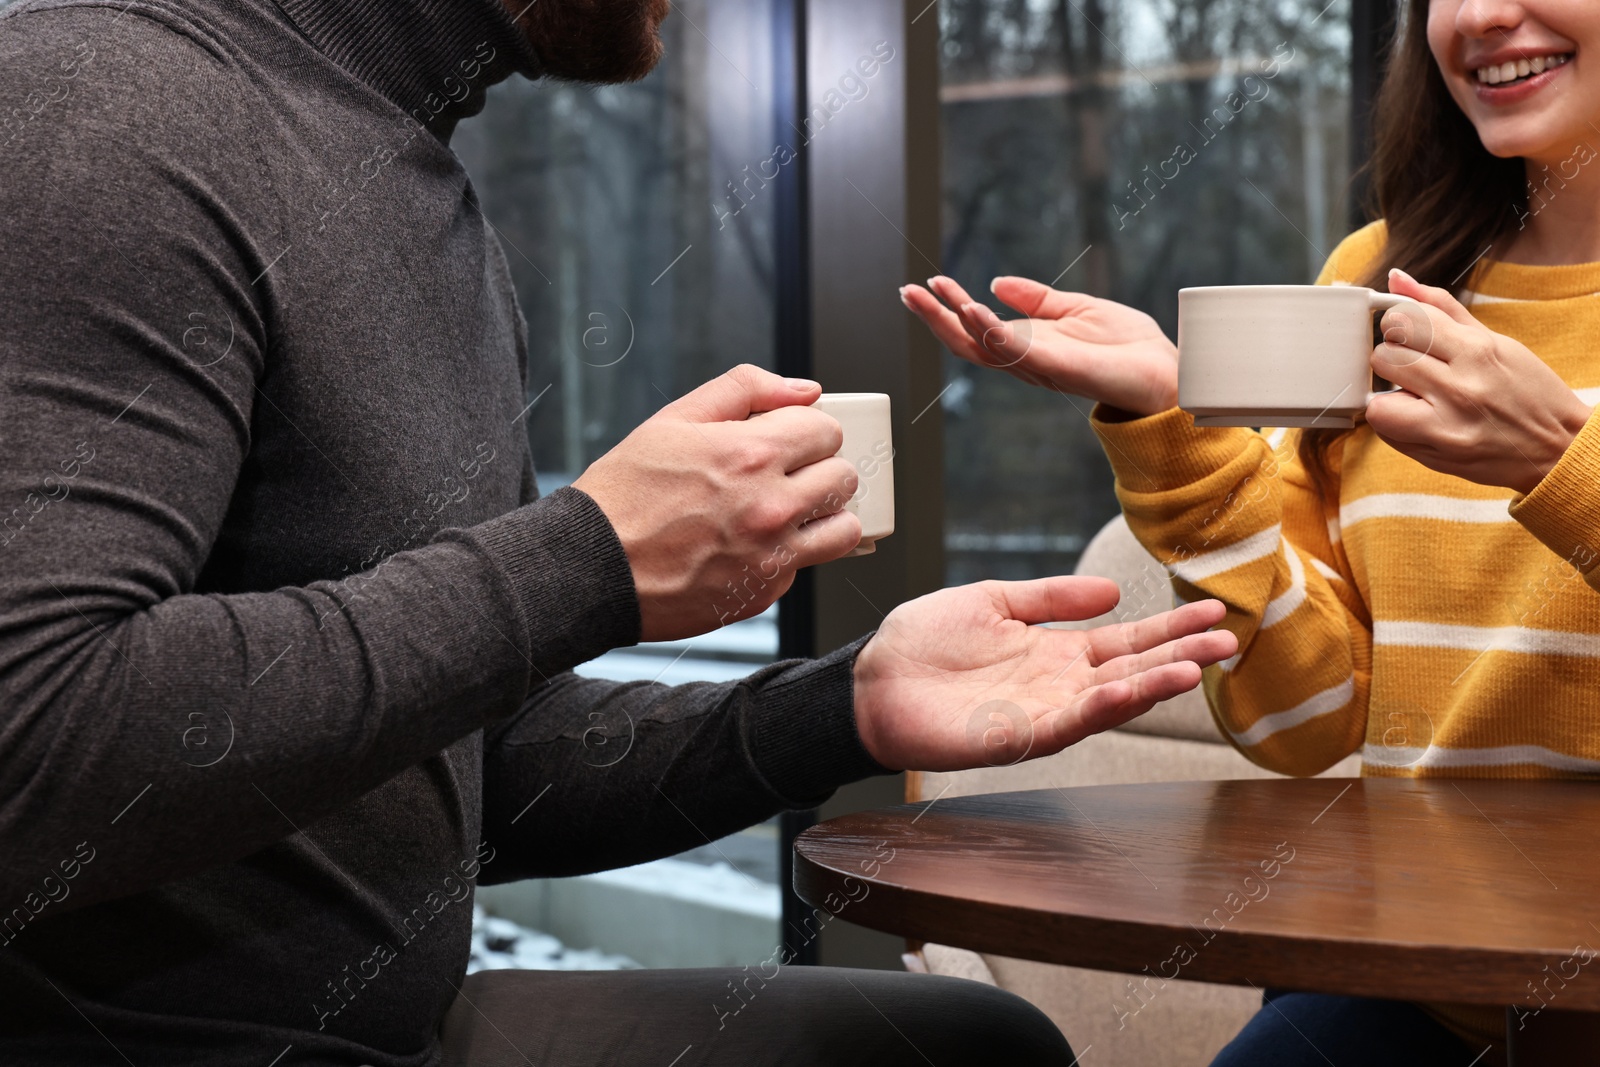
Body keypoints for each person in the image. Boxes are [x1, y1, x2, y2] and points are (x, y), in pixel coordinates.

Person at [0, 0, 1239, 1064]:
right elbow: (30, 741)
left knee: (963, 1046)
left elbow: (445, 777)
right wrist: (586, 555)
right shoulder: (94, 116)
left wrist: (845, 705)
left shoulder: (412, 188)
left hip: (385, 1023)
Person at [905, 1, 1600, 1064]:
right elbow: (1308, 718)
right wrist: (1173, 432)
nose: (1479, 15)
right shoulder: (1376, 277)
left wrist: (1562, 462)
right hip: (1421, 989)